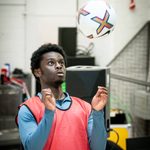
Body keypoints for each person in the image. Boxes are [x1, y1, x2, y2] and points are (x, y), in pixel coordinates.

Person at [16, 43, 108, 150]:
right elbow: (32, 148)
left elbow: (99, 148)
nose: (59, 66)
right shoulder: (28, 109)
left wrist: (97, 113)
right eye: (51, 63)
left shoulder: (85, 107)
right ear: (38, 72)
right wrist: (49, 114)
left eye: (61, 63)